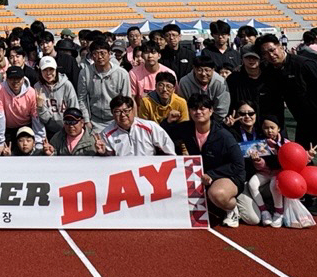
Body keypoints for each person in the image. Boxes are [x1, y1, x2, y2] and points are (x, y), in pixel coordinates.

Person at [255, 33, 317, 215]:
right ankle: (309, 195)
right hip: (303, 121)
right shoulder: (271, 72)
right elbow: (274, 100)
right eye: (266, 53)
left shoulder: (303, 64)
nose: (271, 55)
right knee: (301, 160)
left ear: (281, 46)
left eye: (273, 50)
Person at [170, 93, 246, 228]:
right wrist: (168, 122)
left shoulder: (224, 136)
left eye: (202, 108)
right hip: (202, 176)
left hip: (228, 176)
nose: (198, 112)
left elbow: (238, 165)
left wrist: (213, 175)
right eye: (194, 109)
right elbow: (162, 134)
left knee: (217, 194)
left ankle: (231, 208)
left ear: (211, 111)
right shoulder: (185, 128)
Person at [77, 38, 131, 131]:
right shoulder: (85, 72)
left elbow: (127, 99)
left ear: (109, 54)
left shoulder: (122, 73)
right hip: (94, 121)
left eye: (102, 53)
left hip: (116, 119)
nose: (99, 57)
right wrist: (86, 120)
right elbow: (82, 99)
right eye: (95, 53)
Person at [225, 46, 285, 129]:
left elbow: (278, 104)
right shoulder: (233, 79)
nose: (251, 60)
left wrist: (276, 124)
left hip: (268, 125)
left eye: (254, 58)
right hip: (242, 124)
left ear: (260, 59)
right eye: (248, 57)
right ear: (242, 59)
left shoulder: (271, 77)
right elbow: (229, 103)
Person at [0, 65, 45, 154]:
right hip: (6, 128)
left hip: (26, 127)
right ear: (7, 79)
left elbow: (36, 118)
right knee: (6, 154)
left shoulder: (31, 92)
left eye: (18, 79)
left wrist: (39, 141)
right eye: (12, 79)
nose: (15, 82)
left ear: (23, 79)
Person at [97, 96, 175, 156]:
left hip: (148, 169)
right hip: (123, 172)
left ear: (133, 110)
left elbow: (168, 150)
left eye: (126, 111)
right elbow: (108, 161)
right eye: (117, 112)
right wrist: (104, 153)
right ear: (112, 114)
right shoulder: (106, 134)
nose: (123, 115)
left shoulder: (150, 127)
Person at [35, 56, 81, 139]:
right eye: (45, 70)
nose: (48, 73)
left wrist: (69, 126)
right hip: (48, 130)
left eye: (51, 69)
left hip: (68, 128)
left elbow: (74, 109)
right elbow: (44, 119)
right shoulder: (37, 87)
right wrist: (40, 107)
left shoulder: (67, 85)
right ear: (40, 71)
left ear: (56, 70)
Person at [178, 55, 231, 123]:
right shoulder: (184, 82)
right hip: (191, 121)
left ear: (213, 70)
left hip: (215, 121)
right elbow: (183, 106)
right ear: (194, 68)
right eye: (199, 70)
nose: (203, 74)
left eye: (207, 70)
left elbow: (222, 108)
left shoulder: (220, 82)